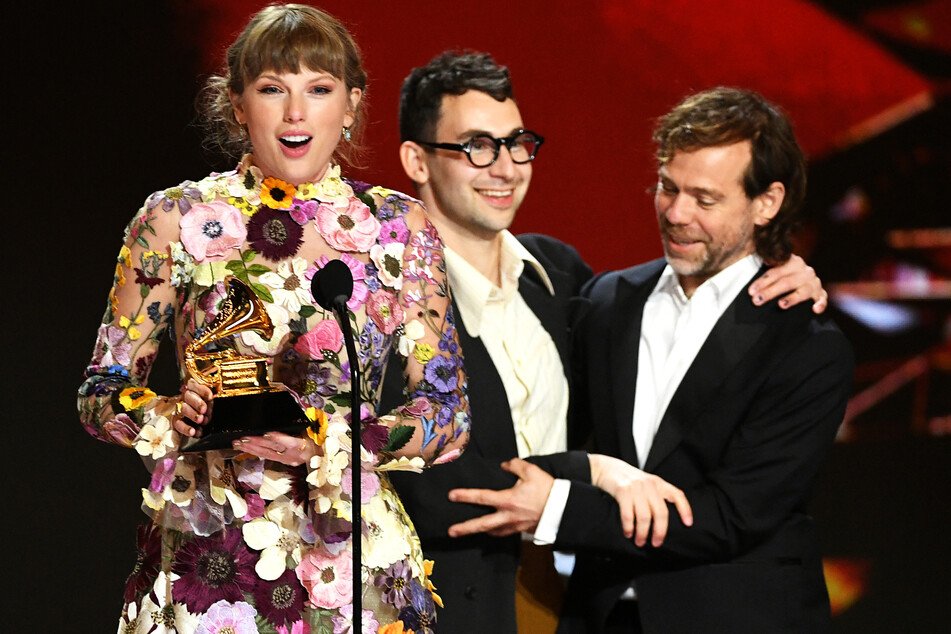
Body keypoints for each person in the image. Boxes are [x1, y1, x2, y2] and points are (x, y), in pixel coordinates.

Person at [386, 53, 833, 634]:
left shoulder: (564, 281)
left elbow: (737, 511)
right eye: (476, 145)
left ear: (765, 202)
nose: (504, 167)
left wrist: (786, 269)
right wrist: (594, 470)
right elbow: (414, 470)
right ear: (416, 160)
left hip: (587, 601)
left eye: (516, 143)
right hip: (451, 601)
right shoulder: (388, 296)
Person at [77, 5, 468, 633]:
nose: (295, 113)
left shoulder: (402, 229)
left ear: (350, 106)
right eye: (271, 90)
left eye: (318, 90)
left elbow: (447, 414)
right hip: (209, 560)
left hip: (350, 559)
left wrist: (338, 442)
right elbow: (99, 394)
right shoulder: (172, 221)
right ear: (236, 105)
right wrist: (166, 414)